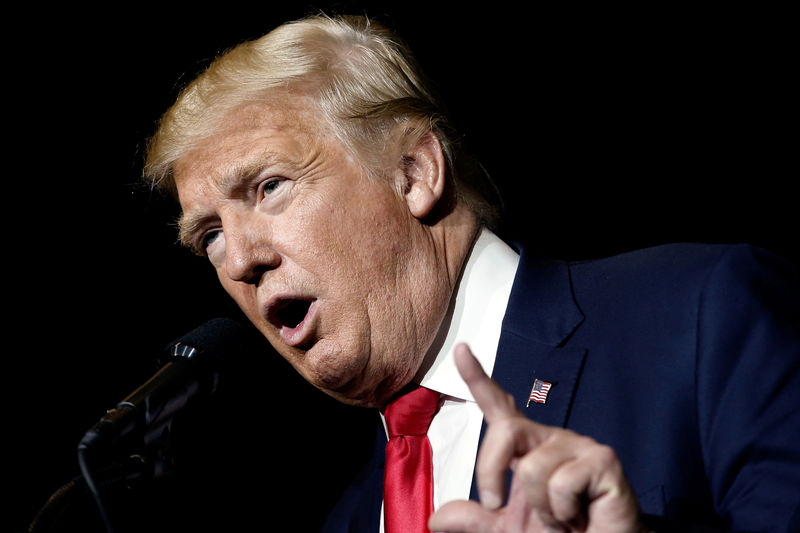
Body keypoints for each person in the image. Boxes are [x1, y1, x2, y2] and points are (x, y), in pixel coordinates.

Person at [143, 14, 800, 533]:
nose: (239, 258)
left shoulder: (702, 316)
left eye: (269, 187)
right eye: (208, 236)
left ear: (414, 173)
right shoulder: (345, 518)